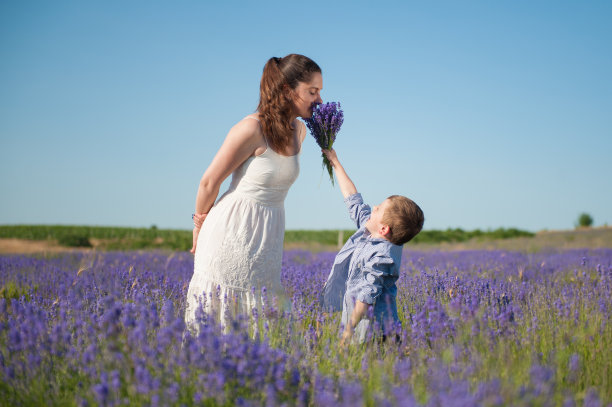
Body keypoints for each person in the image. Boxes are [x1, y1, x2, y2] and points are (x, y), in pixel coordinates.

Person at [185, 54, 323, 329]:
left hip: (267, 238)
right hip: (230, 232)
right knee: (220, 323)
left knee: (262, 327)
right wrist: (199, 226)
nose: (319, 100)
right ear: (287, 90)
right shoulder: (252, 128)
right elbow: (209, 182)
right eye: (312, 91)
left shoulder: (300, 132)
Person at [319, 148, 424, 345]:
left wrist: (347, 332)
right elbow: (353, 200)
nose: (373, 208)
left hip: (378, 334)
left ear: (384, 229)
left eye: (378, 209)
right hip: (363, 329)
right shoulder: (370, 230)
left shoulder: (383, 257)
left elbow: (366, 297)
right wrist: (335, 162)